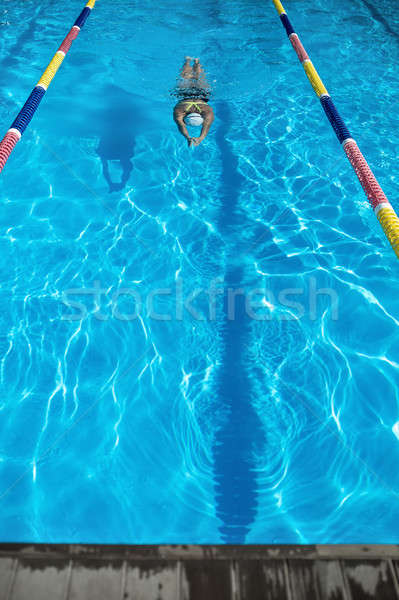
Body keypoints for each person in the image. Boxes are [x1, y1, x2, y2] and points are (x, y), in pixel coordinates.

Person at [173, 57, 214, 147]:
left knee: (200, 78)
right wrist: (187, 137)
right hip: (184, 96)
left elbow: (206, 126)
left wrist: (201, 138)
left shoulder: (207, 111)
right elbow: (181, 125)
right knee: (185, 77)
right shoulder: (179, 112)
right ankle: (187, 61)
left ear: (202, 118)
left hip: (202, 96)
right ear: (185, 119)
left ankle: (197, 61)